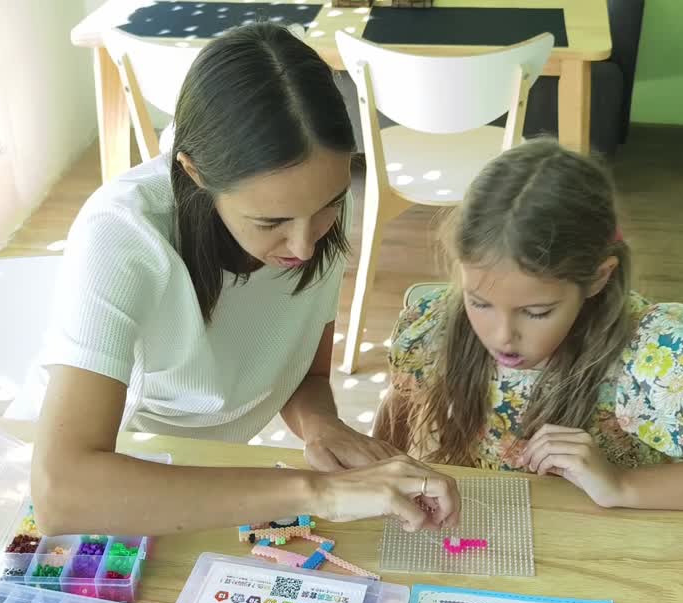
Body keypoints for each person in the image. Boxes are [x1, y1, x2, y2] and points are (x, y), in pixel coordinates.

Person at [25, 23, 458, 537]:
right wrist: (315, 491)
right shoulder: (122, 235)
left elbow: (303, 374)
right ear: (193, 173)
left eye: (330, 206)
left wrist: (322, 427)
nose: (304, 245)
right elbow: (61, 494)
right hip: (124, 469)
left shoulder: (308, 214)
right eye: (271, 223)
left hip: (212, 469)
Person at [375, 140, 683, 510]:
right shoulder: (436, 331)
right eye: (480, 302)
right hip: (492, 534)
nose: (502, 335)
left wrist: (621, 486)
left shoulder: (653, 359)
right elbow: (397, 414)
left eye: (536, 312)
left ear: (597, 278)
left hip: (607, 551)